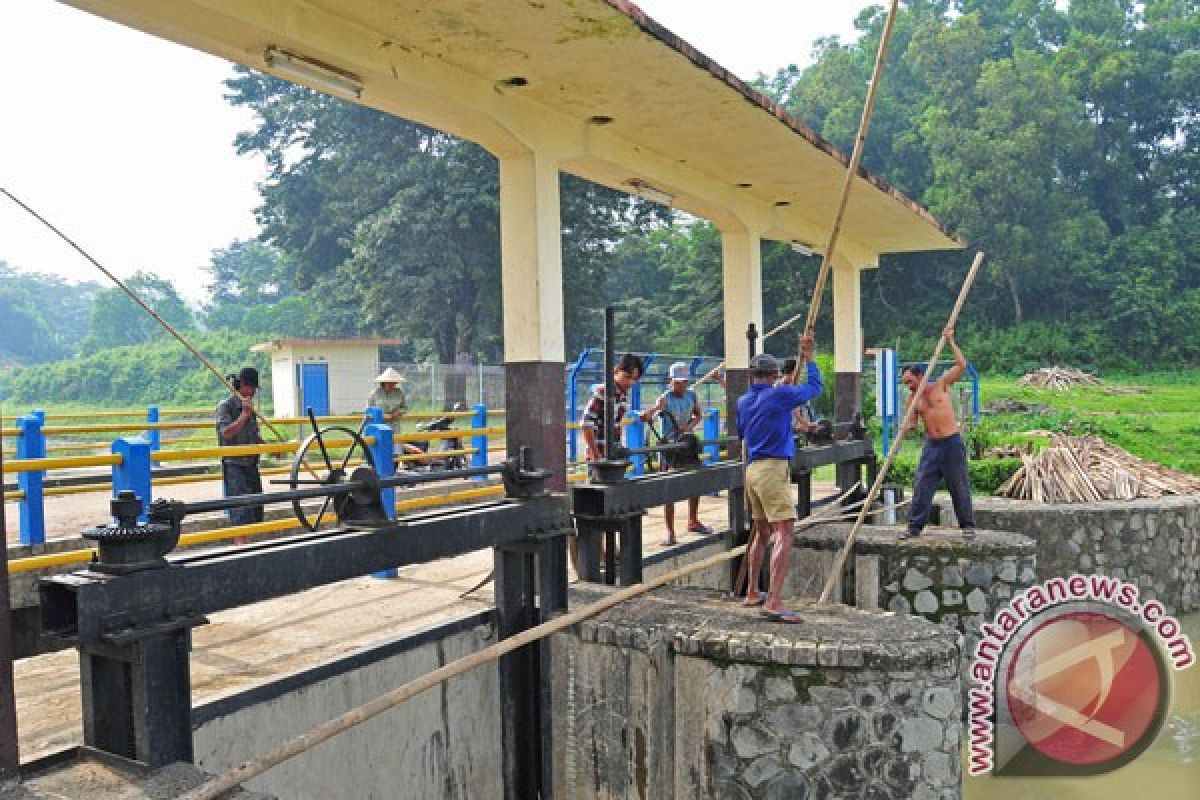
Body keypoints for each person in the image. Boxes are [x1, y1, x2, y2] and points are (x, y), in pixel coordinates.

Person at [737, 335, 823, 623]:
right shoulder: (779, 395)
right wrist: (808, 356)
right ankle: (772, 601)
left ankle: (752, 591)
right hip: (773, 469)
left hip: (751, 470)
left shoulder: (743, 401)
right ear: (773, 375)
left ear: (752, 374)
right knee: (784, 532)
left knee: (761, 533)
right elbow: (815, 387)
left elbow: (742, 433)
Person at [897, 325, 976, 540]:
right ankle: (914, 528)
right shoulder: (912, 399)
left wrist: (950, 340)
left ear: (921, 376)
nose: (909, 386)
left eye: (911, 382)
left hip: (951, 443)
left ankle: (967, 525)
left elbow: (962, 365)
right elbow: (912, 422)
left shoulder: (941, 385)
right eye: (906, 384)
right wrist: (905, 429)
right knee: (922, 485)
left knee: (959, 484)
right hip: (932, 446)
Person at [639, 361, 711, 545]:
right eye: (678, 382)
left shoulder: (691, 396)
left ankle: (693, 520)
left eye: (684, 382)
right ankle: (670, 531)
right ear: (670, 380)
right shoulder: (665, 398)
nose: (681, 385)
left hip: (687, 445)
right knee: (668, 490)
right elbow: (653, 413)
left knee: (694, 484)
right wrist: (649, 413)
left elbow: (698, 416)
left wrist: (687, 427)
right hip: (669, 448)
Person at [216, 366, 265, 526]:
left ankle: (254, 547)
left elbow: (253, 435)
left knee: (257, 511)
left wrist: (269, 448)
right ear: (242, 385)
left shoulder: (249, 406)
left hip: (252, 465)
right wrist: (244, 415)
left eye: (254, 389)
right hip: (235, 466)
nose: (253, 392)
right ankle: (241, 545)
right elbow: (227, 433)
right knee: (240, 513)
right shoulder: (226, 406)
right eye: (251, 388)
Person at [581, 353, 644, 461]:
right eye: (627, 377)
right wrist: (596, 455)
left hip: (612, 455)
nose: (631, 382)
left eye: (635, 379)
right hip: (600, 456)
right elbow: (586, 424)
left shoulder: (622, 395)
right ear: (616, 370)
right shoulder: (604, 393)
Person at [366, 367, 428, 466]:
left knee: (395, 452)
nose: (392, 384)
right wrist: (380, 416)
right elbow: (368, 411)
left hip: (394, 426)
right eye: (390, 382)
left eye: (394, 382)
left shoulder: (399, 393)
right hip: (379, 426)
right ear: (383, 382)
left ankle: (393, 471)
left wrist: (399, 412)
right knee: (380, 450)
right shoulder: (374, 394)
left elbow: (405, 407)